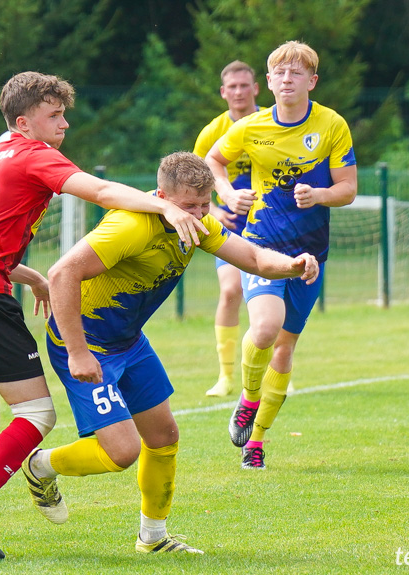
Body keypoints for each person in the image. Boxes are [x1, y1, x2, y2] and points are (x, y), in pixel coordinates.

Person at [0, 71, 208, 559]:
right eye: (54, 115)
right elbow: (99, 191)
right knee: (37, 414)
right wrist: (165, 209)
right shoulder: (34, 154)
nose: (65, 124)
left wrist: (25, 273)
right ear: (23, 122)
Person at [19, 152, 318, 555]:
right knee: (122, 451)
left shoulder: (199, 223)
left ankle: (154, 539)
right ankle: (40, 466)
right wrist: (77, 353)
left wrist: (294, 265)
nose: (196, 214)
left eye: (203, 205)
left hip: (128, 341)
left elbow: (253, 258)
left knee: (164, 436)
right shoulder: (130, 226)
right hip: (86, 343)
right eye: (186, 206)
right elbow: (61, 274)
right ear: (161, 196)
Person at [205, 41, 358, 470]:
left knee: (285, 350)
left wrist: (321, 194)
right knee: (266, 329)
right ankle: (248, 398)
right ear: (268, 82)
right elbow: (214, 161)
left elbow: (348, 189)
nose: (287, 79)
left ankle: (256, 441)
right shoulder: (250, 127)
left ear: (312, 80)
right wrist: (228, 192)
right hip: (260, 246)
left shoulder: (331, 125)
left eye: (297, 73)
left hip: (311, 254)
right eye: (280, 73)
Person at [192, 60, 265, 398]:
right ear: (223, 93)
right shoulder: (212, 132)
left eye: (243, 85)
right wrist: (217, 210)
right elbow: (190, 181)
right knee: (231, 291)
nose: (238, 92)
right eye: (231, 87)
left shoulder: (272, 122)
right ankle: (226, 377)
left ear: (256, 89)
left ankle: (277, 368)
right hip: (233, 225)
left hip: (271, 222)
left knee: (271, 295)